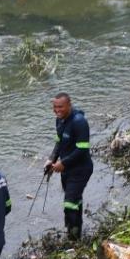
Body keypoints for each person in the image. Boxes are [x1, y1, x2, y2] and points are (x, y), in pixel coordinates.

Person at [48, 94, 91, 240]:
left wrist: (63, 163)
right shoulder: (59, 121)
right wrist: (51, 160)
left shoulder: (79, 122)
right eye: (55, 107)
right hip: (66, 170)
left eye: (60, 107)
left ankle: (72, 240)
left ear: (69, 105)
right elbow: (59, 143)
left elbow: (82, 150)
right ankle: (76, 233)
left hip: (81, 169)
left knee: (69, 203)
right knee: (75, 201)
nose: (57, 110)